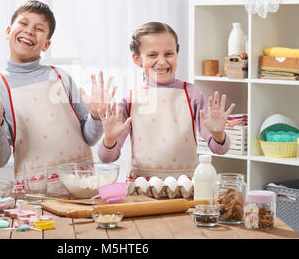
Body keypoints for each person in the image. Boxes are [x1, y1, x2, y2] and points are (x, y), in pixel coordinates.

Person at [0, 0, 115, 195]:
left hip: (82, 188)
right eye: (24, 23)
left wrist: (95, 116)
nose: (29, 31)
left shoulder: (62, 78)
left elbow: (89, 137)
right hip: (36, 196)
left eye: (39, 28)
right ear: (8, 31)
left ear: (46, 44)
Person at [97, 21, 235, 183]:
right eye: (152, 55)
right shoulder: (129, 101)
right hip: (141, 190)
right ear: (137, 59)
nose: (161, 62)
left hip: (185, 187)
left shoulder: (192, 94)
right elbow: (107, 158)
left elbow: (220, 149)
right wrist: (109, 140)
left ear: (177, 53)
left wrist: (218, 135)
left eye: (169, 54)